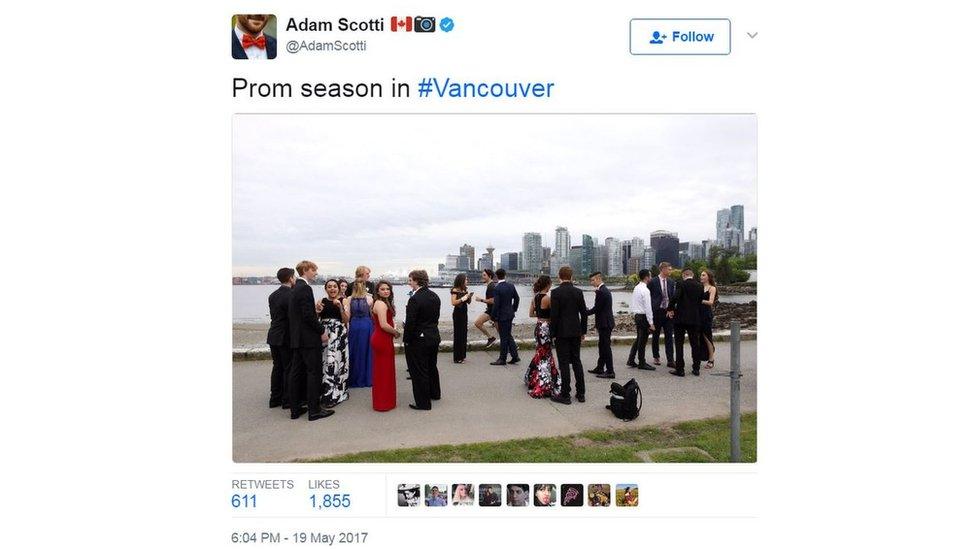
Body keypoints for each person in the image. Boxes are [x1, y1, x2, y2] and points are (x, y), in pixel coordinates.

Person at [286, 260, 333, 421]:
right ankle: (314, 410)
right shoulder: (305, 288)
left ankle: (295, 409)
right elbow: (307, 316)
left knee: (296, 373)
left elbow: (300, 314)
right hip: (308, 339)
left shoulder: (294, 288)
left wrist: (314, 310)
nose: (316, 273)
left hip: (297, 338)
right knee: (314, 373)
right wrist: (321, 331)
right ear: (306, 270)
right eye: (314, 270)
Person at [403, 270, 442, 411]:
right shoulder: (435, 296)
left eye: (410, 280)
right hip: (433, 336)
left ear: (416, 281)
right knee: (432, 366)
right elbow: (434, 318)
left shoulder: (415, 299)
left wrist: (406, 340)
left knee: (419, 371)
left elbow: (411, 322)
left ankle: (423, 403)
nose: (409, 283)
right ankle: (435, 393)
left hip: (419, 339)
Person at [549, 266, 588, 405]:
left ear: (559, 276)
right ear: (572, 277)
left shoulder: (555, 293)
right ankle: (581, 393)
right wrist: (583, 331)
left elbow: (554, 315)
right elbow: (584, 313)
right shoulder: (578, 292)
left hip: (561, 332)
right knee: (577, 361)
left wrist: (552, 333)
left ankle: (565, 394)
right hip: (576, 331)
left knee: (564, 363)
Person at [525, 275, 560, 398]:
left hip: (538, 326)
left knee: (540, 352)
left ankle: (533, 377)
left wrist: (540, 316)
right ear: (548, 284)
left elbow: (531, 314)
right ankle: (543, 381)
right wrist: (547, 319)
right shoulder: (547, 298)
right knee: (546, 353)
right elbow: (554, 315)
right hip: (545, 327)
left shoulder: (535, 298)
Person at [319, 279, 350, 408]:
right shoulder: (322, 301)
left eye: (335, 287)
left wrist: (340, 307)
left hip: (339, 333)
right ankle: (326, 392)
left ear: (338, 288)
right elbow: (317, 318)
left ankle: (338, 392)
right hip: (325, 334)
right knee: (326, 362)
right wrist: (317, 311)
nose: (332, 289)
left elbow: (346, 319)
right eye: (329, 287)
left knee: (339, 361)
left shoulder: (344, 300)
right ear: (326, 289)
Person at [267, 267, 295, 409]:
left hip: (273, 334)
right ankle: (286, 399)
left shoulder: (273, 295)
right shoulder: (291, 295)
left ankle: (274, 398)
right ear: (290, 278)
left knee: (277, 366)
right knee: (288, 367)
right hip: (285, 336)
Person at [669, 268, 705, 377]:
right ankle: (696, 368)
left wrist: (669, 308)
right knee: (695, 344)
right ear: (692, 275)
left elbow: (675, 297)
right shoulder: (700, 286)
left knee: (679, 344)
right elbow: (700, 300)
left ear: (684, 275)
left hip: (680, 318)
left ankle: (680, 369)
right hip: (694, 318)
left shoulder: (680, 284)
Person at [370, 280, 399, 411]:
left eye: (388, 289)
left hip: (383, 338)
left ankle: (384, 401)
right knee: (384, 371)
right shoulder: (380, 303)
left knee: (384, 371)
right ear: (377, 291)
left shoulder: (382, 302)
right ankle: (383, 402)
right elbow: (383, 324)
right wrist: (396, 332)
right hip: (382, 339)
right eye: (383, 289)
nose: (386, 291)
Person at [586, 272, 616, 379]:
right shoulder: (603, 290)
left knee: (605, 347)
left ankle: (610, 371)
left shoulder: (602, 291)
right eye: (590, 280)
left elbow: (597, 308)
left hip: (605, 323)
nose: (591, 282)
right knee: (602, 346)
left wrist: (585, 312)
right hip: (605, 322)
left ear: (599, 279)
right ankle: (600, 367)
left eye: (593, 280)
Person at [345, 280, 374, 388]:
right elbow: (371, 314)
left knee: (355, 351)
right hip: (365, 325)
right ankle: (366, 377)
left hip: (355, 325)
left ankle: (354, 377)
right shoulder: (370, 299)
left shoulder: (349, 299)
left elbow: (348, 316)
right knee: (365, 351)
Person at [489, 268, 521, 365]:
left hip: (502, 316)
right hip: (510, 314)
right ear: (505, 275)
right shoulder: (511, 286)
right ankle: (515, 356)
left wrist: (492, 316)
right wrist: (513, 309)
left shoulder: (497, 288)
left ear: (496, 276)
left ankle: (502, 358)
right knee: (507, 335)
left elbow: (496, 304)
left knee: (504, 337)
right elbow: (517, 298)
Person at [648, 261, 676, 368]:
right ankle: (656, 356)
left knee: (669, 336)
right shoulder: (653, 282)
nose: (670, 271)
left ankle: (670, 360)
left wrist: (672, 309)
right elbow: (648, 296)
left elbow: (672, 297)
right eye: (669, 269)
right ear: (663, 269)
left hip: (668, 312)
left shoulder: (671, 282)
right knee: (656, 335)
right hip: (657, 312)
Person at [627, 269, 656, 370]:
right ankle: (642, 362)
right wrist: (651, 322)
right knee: (642, 341)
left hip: (637, 315)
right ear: (646, 277)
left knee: (639, 338)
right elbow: (648, 308)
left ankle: (631, 359)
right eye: (650, 276)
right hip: (643, 316)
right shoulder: (645, 290)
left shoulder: (636, 288)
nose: (651, 278)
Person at [450, 274, 474, 363]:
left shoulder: (464, 290)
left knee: (464, 334)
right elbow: (453, 302)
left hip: (464, 313)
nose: (467, 281)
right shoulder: (455, 290)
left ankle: (462, 355)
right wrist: (463, 298)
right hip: (458, 314)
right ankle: (457, 357)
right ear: (461, 280)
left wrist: (468, 297)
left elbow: (469, 303)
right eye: (466, 279)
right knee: (458, 335)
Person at [472, 269, 498, 348]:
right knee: (478, 323)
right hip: (490, 311)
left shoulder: (491, 286)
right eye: (482, 275)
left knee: (501, 331)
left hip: (493, 311)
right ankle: (491, 338)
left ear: (489, 276)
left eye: (484, 275)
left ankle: (512, 346)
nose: (482, 277)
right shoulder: (490, 285)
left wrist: (481, 300)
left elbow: (493, 300)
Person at [699, 269, 719, 369]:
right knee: (698, 337)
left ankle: (711, 359)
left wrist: (699, 300)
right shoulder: (699, 287)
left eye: (703, 275)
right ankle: (699, 357)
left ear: (708, 277)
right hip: (698, 314)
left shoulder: (712, 288)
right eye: (701, 275)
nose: (701, 277)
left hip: (706, 315)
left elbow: (711, 302)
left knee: (707, 337)